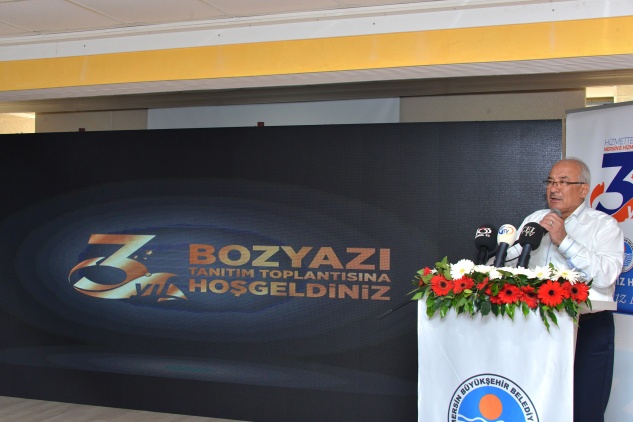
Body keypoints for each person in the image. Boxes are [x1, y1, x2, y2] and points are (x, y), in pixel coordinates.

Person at [506, 157, 623, 422]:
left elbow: (606, 275)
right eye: (550, 182)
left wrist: (564, 241)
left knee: (584, 408)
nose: (554, 188)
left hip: (587, 327)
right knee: (536, 402)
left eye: (563, 182)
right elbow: (512, 261)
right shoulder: (535, 220)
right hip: (535, 324)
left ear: (583, 189)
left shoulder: (603, 225)